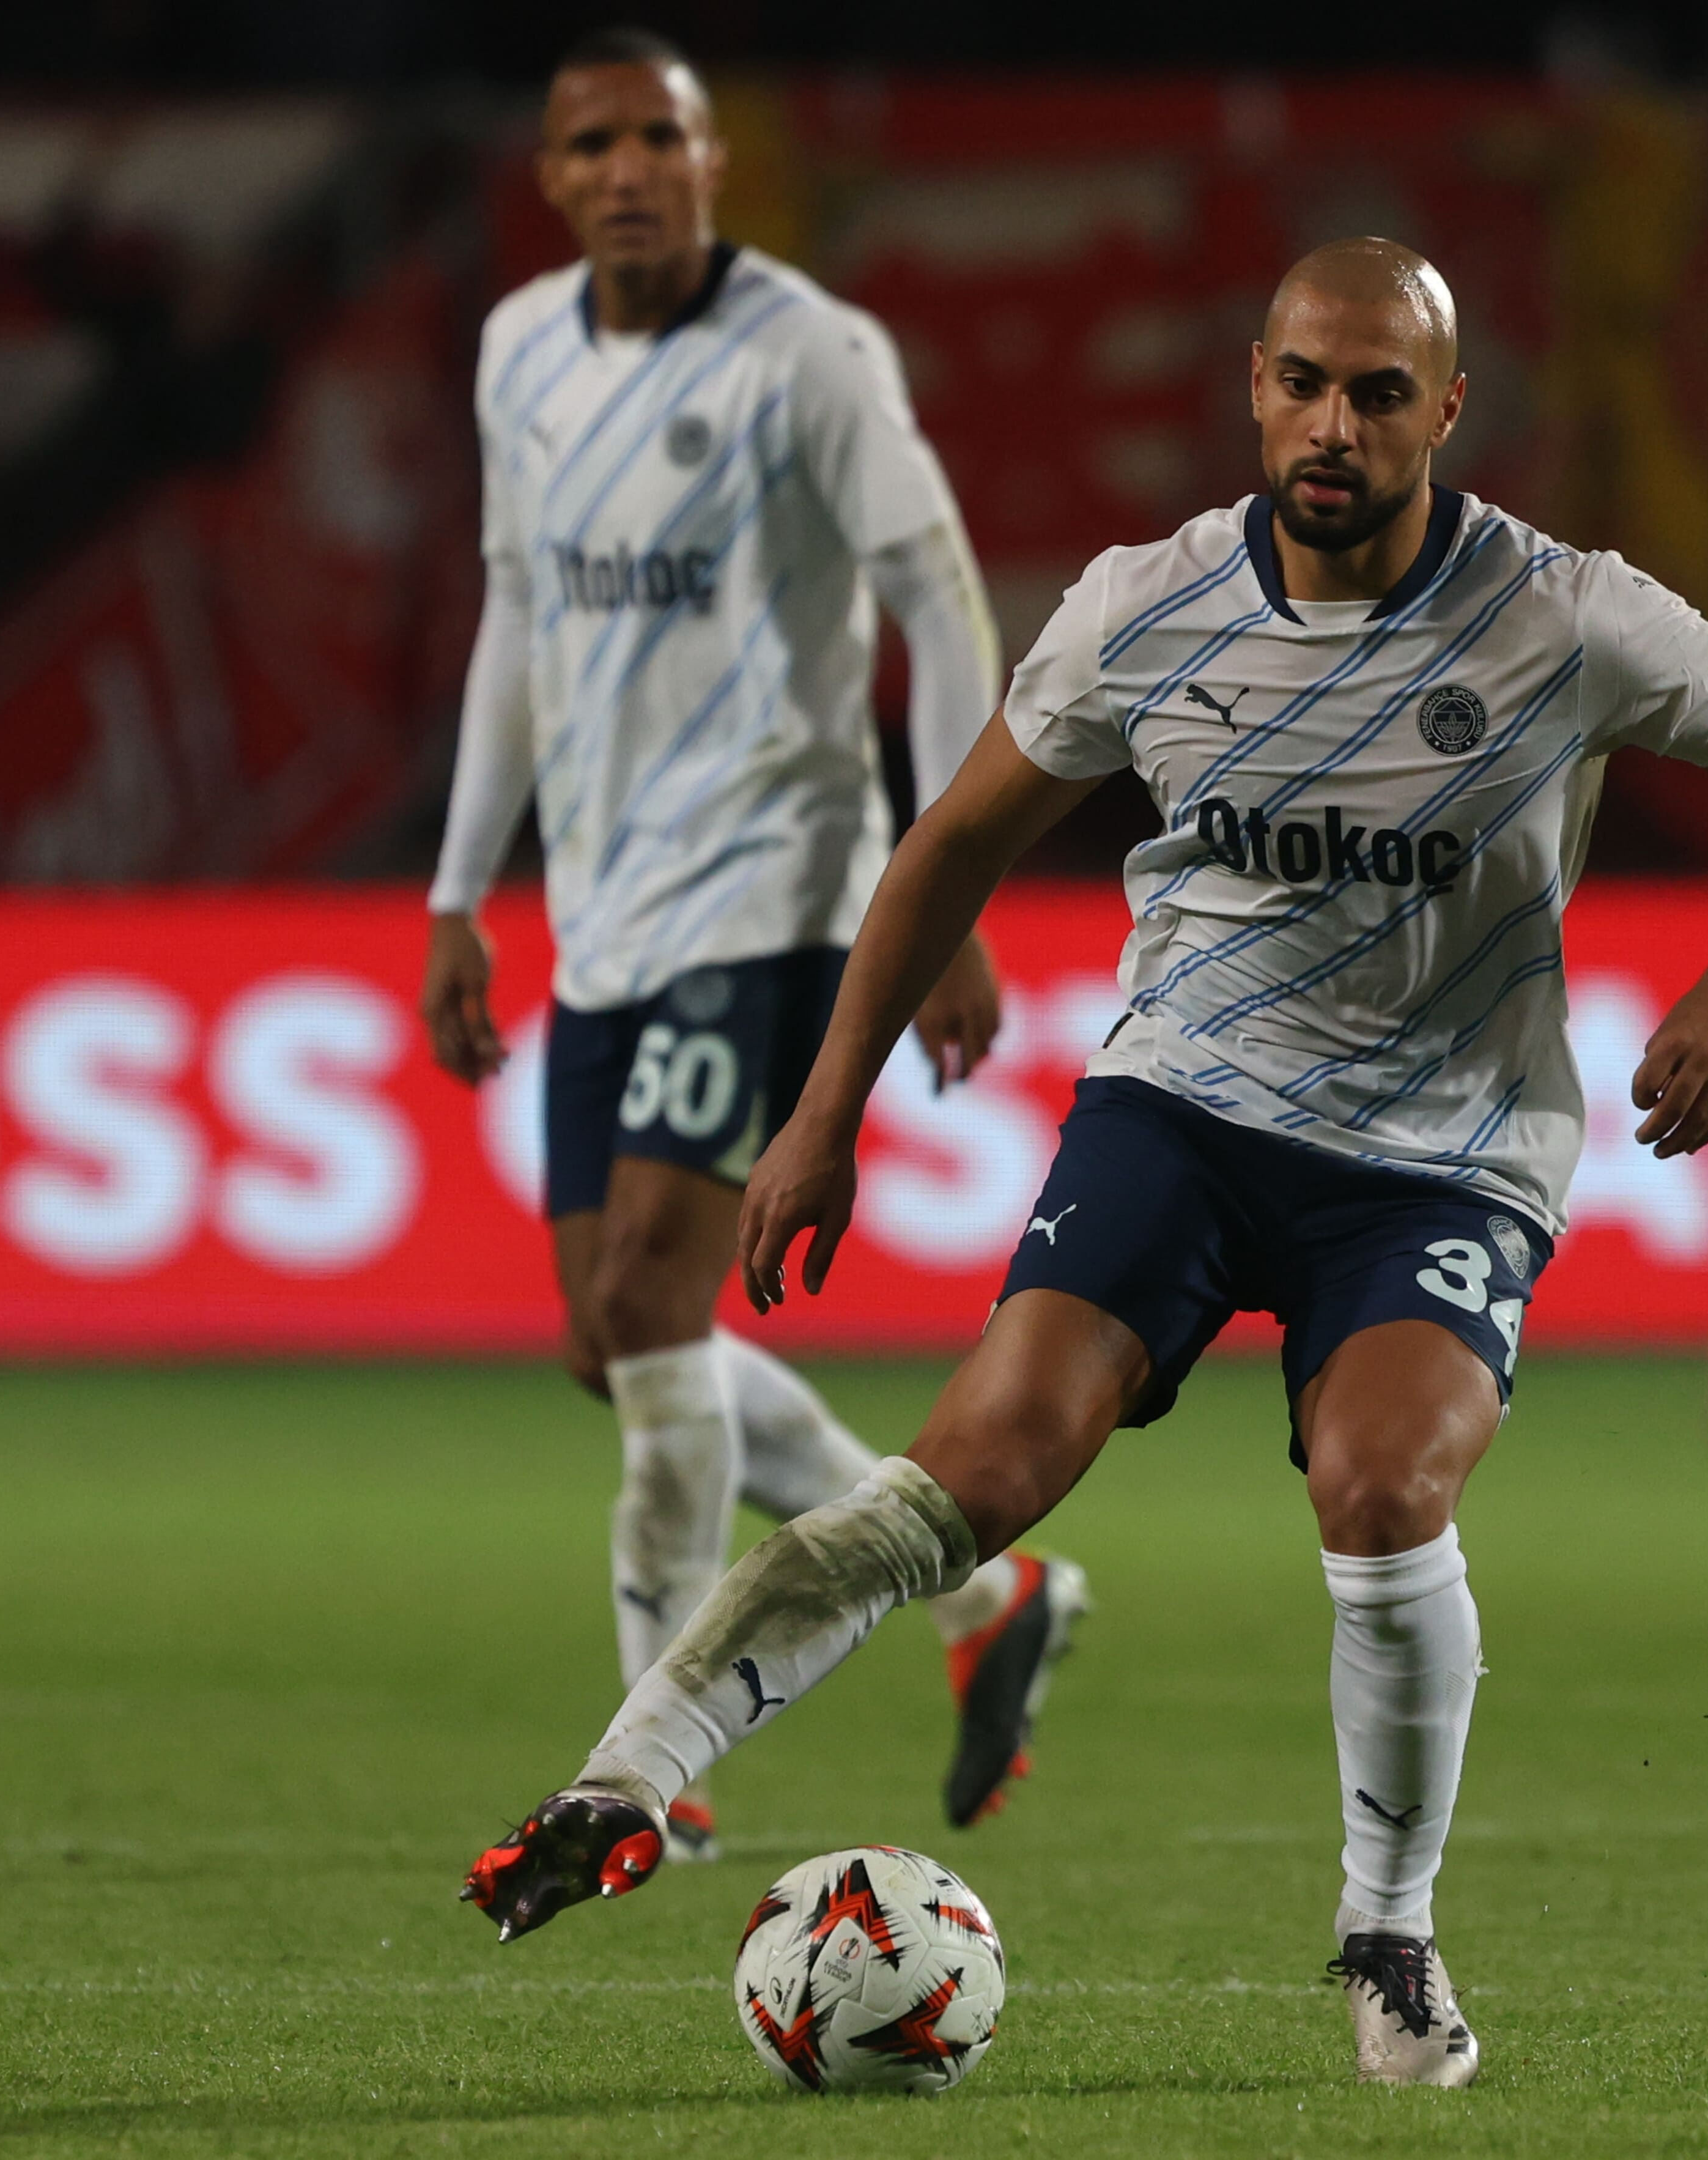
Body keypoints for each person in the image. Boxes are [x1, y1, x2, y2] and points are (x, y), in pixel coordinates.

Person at [458, 235, 1708, 2084]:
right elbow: (945, 848)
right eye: (1306, 379)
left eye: (1383, 392)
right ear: (1255, 383)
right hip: (1187, 1106)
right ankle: (617, 1784)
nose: (1336, 423)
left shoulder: (1566, 615)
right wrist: (822, 1116)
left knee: (1382, 1490)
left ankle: (1390, 1927)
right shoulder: (1145, 607)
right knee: (973, 1467)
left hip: (1443, 1151)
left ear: (1448, 414)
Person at [418, 27, 1087, 1857]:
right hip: (605, 912)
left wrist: (944, 890)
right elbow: (514, 625)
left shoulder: (811, 354)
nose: (629, 168)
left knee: (649, 1301)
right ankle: (986, 1601)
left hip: (781, 889)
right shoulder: (520, 354)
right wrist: (460, 891)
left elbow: (939, 601)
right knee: (607, 1334)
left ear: (714, 161)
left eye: (664, 136)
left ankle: (649, 1763)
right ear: (550, 177)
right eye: (592, 143)